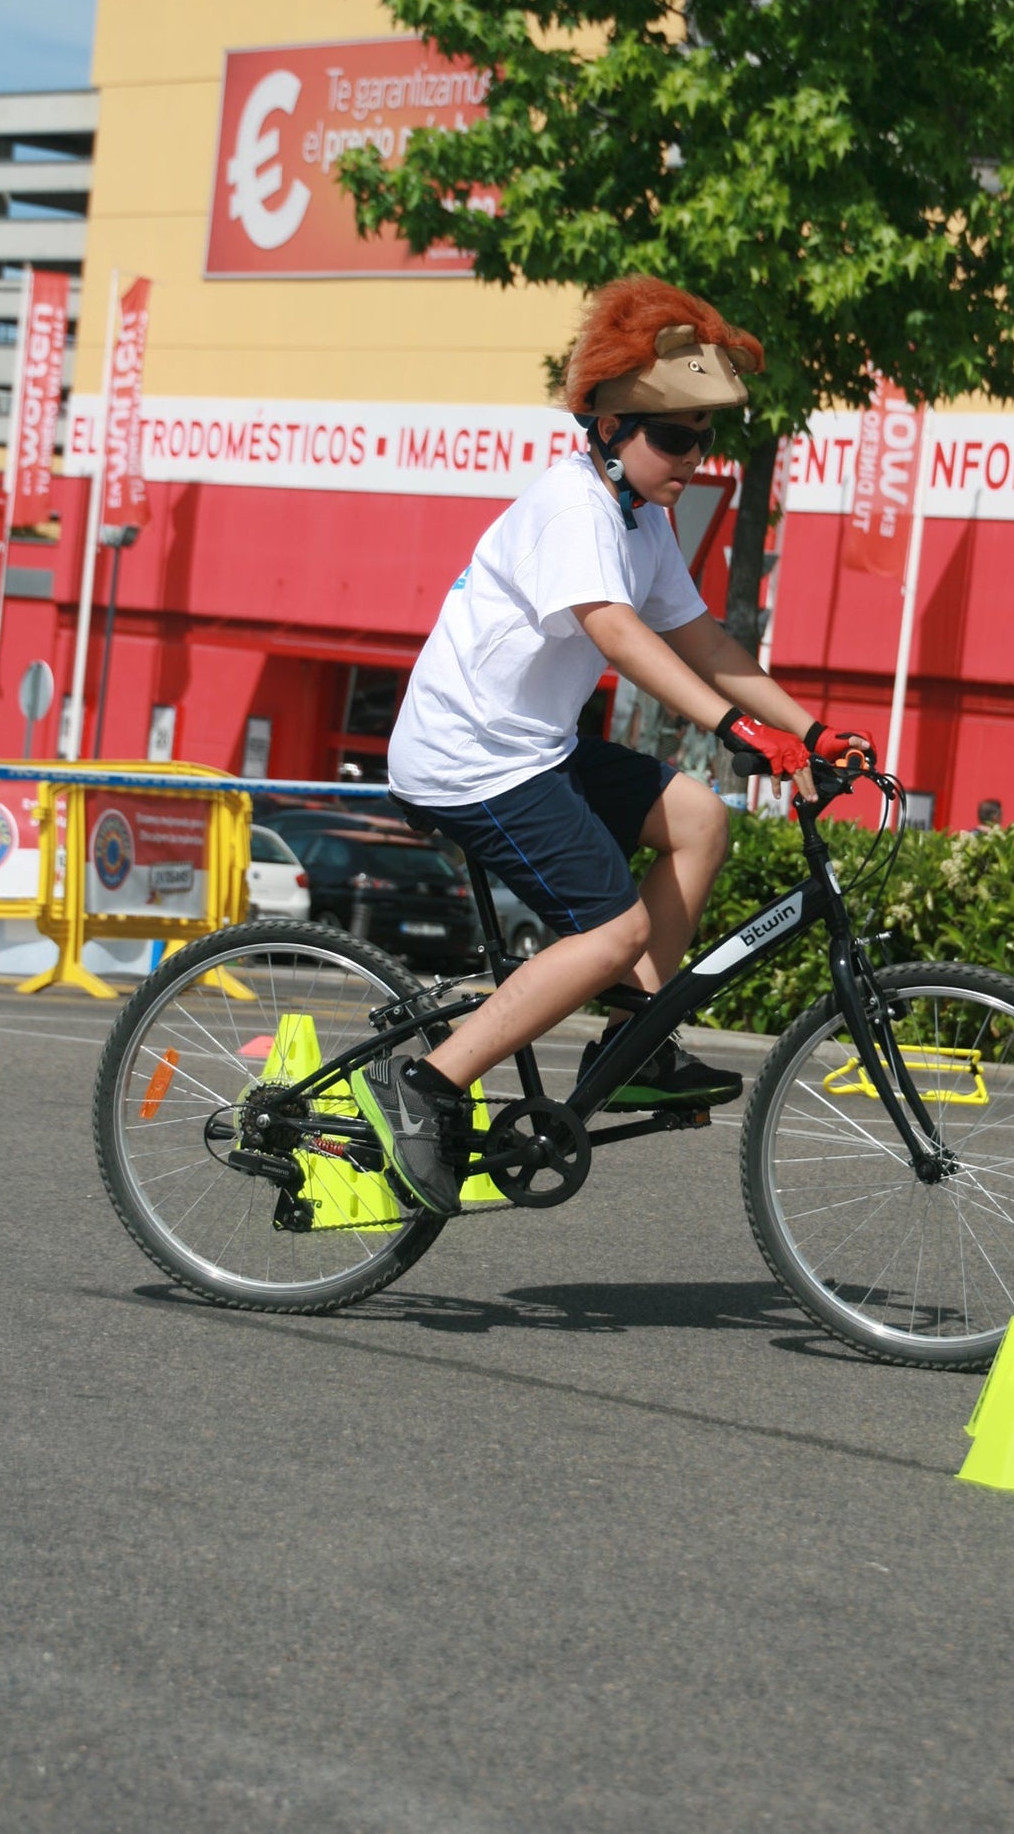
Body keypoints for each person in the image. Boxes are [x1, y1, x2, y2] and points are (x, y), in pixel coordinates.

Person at [351, 274, 874, 1216]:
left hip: (531, 747)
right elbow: (618, 634)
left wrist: (812, 729)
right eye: (673, 438)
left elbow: (702, 639)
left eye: (703, 440)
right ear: (610, 429)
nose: (692, 457)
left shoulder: (641, 517)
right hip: (466, 757)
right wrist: (732, 726)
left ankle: (633, 1045)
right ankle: (427, 1086)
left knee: (698, 820)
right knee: (615, 930)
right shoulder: (574, 505)